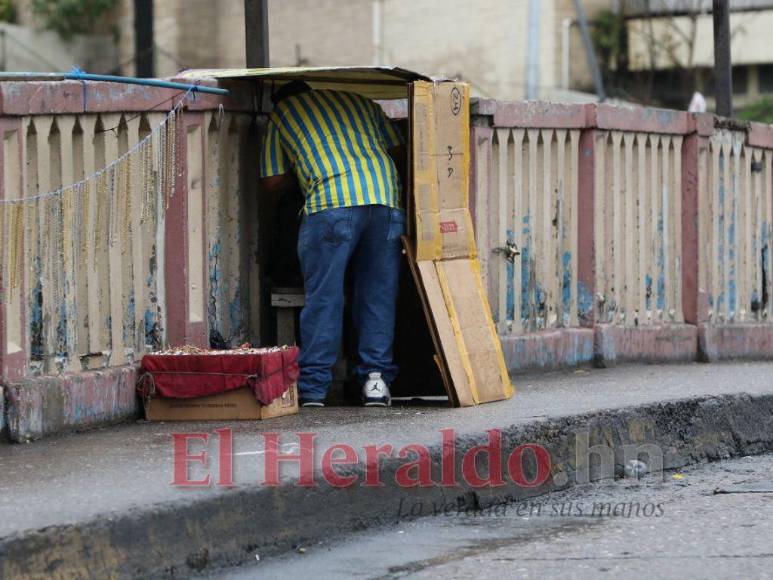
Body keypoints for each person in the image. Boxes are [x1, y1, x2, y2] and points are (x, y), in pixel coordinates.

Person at [259, 81, 406, 408]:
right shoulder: (361, 100)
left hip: (330, 205)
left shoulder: (282, 113)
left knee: (324, 295)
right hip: (385, 201)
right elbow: (400, 151)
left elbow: (271, 181)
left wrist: (299, 171)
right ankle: (375, 382)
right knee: (377, 294)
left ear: (278, 99)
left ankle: (313, 388)